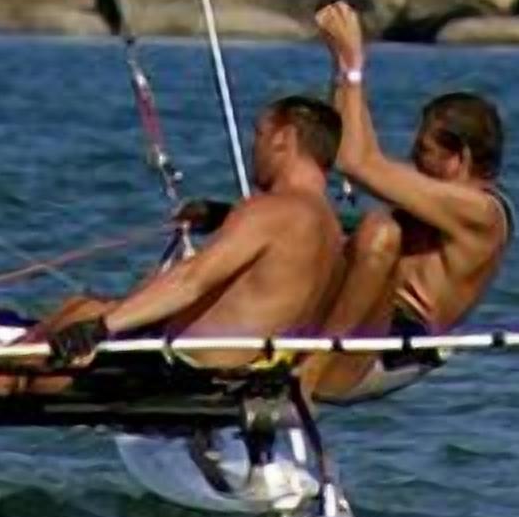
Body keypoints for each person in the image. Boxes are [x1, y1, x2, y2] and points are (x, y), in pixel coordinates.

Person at [42, 93, 347, 371]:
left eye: (260, 134)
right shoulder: (329, 225)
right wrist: (222, 215)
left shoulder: (271, 210)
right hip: (253, 367)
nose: (254, 146)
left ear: (284, 137)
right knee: (79, 308)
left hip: (186, 371)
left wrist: (100, 328)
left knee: (78, 317)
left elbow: (192, 280)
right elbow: (277, 259)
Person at [311, 0, 512, 384]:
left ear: (459, 157)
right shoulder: (437, 196)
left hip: (395, 340)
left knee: (378, 229)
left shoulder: (479, 212)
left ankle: (310, 369)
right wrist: (341, 65)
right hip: (367, 316)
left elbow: (357, 163)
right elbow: (353, 151)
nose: (411, 159)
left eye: (423, 151)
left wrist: (354, 64)